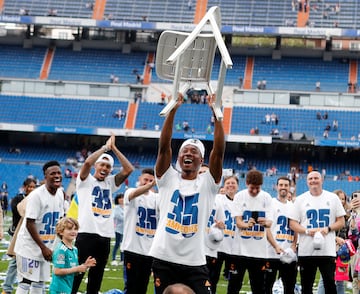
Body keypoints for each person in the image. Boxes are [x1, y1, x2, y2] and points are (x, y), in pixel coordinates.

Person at [149, 93, 225, 294]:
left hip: (194, 259)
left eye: (194, 152)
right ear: (178, 157)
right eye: (185, 151)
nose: (188, 154)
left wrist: (217, 114)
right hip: (164, 255)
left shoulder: (208, 184)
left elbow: (218, 151)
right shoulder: (168, 179)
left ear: (202, 160)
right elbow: (164, 147)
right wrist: (173, 110)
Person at [71, 134, 134, 294]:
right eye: (102, 165)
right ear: (96, 166)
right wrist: (104, 148)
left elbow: (129, 169)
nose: (104, 169)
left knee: (96, 278)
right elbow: (86, 162)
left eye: (108, 167)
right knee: (77, 274)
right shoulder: (85, 180)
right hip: (86, 234)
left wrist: (114, 149)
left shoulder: (110, 183)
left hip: (105, 236)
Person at [289, 170, 346, 294]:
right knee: (306, 286)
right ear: (307, 182)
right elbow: (292, 223)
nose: (313, 180)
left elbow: (341, 221)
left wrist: (328, 229)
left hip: (328, 250)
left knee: (330, 285)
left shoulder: (332, 198)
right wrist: (307, 231)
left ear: (322, 180)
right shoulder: (300, 199)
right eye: (310, 179)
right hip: (306, 250)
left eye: (316, 178)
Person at [14, 161, 65, 294]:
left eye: (59, 173)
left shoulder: (60, 193)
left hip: (46, 247)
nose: (57, 176)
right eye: (52, 173)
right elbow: (30, 223)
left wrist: (56, 246)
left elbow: (59, 221)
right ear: (45, 176)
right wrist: (43, 247)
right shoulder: (37, 196)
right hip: (29, 247)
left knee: (40, 282)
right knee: (26, 281)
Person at [228, 170, 274, 294]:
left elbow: (270, 222)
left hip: (259, 252)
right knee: (233, 286)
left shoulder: (266, 197)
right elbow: (238, 222)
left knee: (258, 288)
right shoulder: (240, 196)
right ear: (247, 183)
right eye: (252, 188)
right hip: (239, 251)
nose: (254, 191)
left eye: (257, 188)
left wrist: (265, 222)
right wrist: (246, 225)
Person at [121, 168, 158, 294]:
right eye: (145, 180)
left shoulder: (157, 198)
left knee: (142, 287)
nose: (147, 182)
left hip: (149, 251)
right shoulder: (131, 192)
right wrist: (152, 184)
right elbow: (132, 195)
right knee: (131, 287)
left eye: (150, 180)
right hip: (132, 248)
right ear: (139, 180)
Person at [2, 178, 36, 294]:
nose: (31, 189)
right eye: (29, 187)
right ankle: (7, 288)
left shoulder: (36, 199)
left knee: (30, 261)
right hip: (17, 234)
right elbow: (18, 211)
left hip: (30, 234)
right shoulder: (18, 198)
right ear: (24, 187)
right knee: (15, 261)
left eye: (33, 187)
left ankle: (28, 286)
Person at [264, 176, 298, 294]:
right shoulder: (271, 204)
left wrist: (294, 244)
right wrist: (275, 246)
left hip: (288, 253)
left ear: (290, 188)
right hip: (271, 253)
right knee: (267, 286)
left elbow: (296, 227)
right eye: (281, 185)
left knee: (289, 287)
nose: (283, 187)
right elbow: (267, 229)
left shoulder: (293, 206)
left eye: (286, 185)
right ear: (277, 187)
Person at [208, 175, 238, 293]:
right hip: (218, 246)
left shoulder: (240, 202)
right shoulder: (218, 199)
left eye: (233, 183)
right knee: (212, 278)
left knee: (234, 280)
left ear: (237, 186)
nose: (230, 185)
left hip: (234, 247)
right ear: (224, 186)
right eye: (228, 183)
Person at [50, 217, 96, 294]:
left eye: (75, 229)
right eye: (69, 229)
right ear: (61, 232)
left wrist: (84, 266)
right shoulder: (61, 250)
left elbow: (74, 270)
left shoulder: (74, 249)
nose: (73, 231)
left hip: (68, 288)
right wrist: (77, 268)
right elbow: (57, 271)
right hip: (59, 288)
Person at [111, 193, 125, 266]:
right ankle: (113, 259)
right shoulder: (116, 208)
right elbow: (118, 216)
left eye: (123, 198)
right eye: (120, 198)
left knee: (123, 245)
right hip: (119, 229)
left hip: (125, 230)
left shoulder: (126, 207)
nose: (122, 200)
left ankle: (122, 260)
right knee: (117, 244)